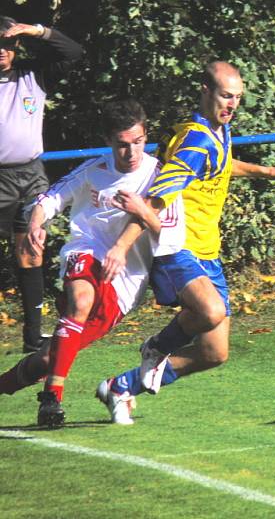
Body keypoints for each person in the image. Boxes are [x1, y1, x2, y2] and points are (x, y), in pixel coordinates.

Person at [98, 61, 275, 418]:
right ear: (205, 91)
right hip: (177, 245)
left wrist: (269, 172)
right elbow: (155, 201)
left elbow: (222, 164)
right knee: (211, 310)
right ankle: (156, 347)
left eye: (237, 97)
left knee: (213, 353)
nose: (232, 104)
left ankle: (123, 386)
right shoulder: (194, 140)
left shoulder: (215, 131)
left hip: (208, 250)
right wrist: (123, 244)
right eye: (226, 95)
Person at [0, 99, 184, 427]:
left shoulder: (160, 176)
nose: (131, 153)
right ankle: (51, 400)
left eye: (138, 143)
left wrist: (142, 211)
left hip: (128, 280)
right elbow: (49, 198)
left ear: (146, 136)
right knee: (80, 302)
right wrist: (35, 224)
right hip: (87, 251)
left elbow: (171, 235)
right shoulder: (94, 170)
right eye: (122, 145)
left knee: (50, 357)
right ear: (109, 141)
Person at [0, 16, 85, 353]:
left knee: (31, 252)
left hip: (30, 175)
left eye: (7, 44)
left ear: (17, 46)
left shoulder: (33, 75)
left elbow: (73, 52)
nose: (2, 51)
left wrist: (38, 31)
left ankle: (33, 337)